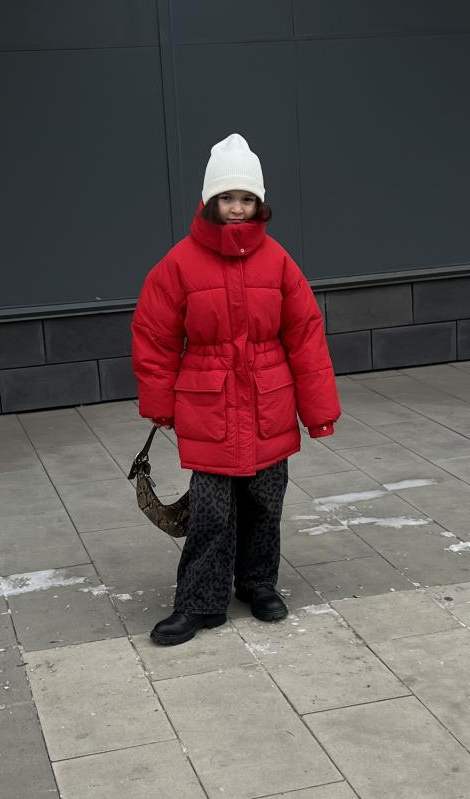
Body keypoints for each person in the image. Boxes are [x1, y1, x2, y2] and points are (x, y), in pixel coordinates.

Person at [131, 133, 341, 646]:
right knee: (211, 512)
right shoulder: (179, 263)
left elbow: (305, 335)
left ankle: (257, 585)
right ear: (209, 200)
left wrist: (318, 411)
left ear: (259, 202)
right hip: (211, 408)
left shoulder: (278, 262)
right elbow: (155, 335)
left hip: (269, 403)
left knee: (265, 505)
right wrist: (159, 403)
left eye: (247, 198)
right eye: (227, 197)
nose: (238, 208)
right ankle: (199, 602)